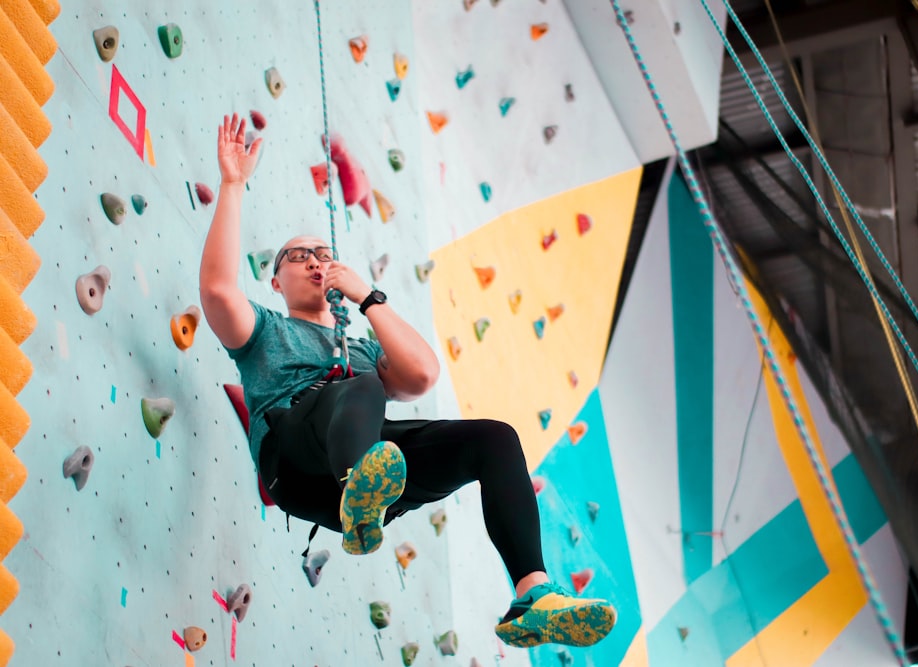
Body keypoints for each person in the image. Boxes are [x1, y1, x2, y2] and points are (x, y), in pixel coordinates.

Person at [199, 113, 617, 648]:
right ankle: (360, 487)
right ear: (275, 279)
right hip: (296, 464)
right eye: (297, 257)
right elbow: (215, 291)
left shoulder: (365, 346)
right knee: (362, 386)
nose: (313, 262)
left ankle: (532, 595)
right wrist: (234, 184)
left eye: (322, 256)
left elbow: (421, 374)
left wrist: (367, 296)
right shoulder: (266, 331)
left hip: (370, 469)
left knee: (495, 438)